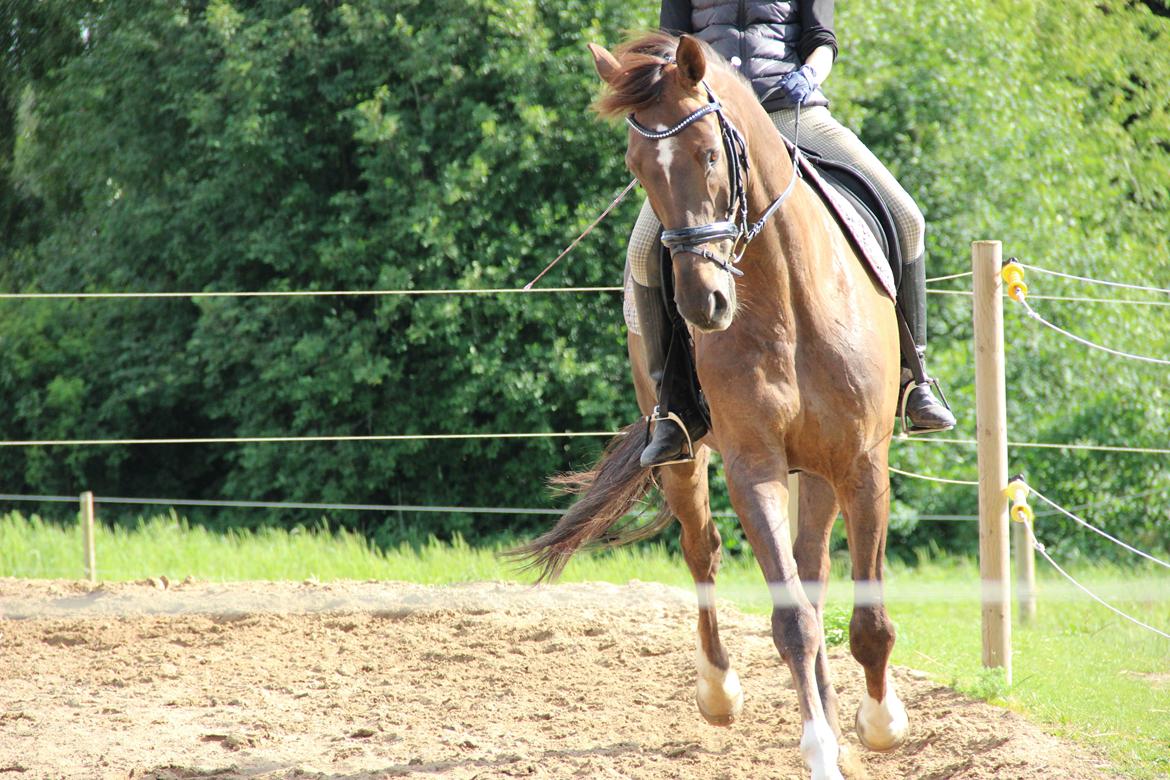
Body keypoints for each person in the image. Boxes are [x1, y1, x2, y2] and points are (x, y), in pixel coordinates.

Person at [630, 0, 956, 468]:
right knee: (644, 250)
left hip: (789, 109)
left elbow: (821, 41)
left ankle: (914, 379)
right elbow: (668, 50)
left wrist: (809, 76)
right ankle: (673, 410)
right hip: (707, 126)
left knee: (907, 217)